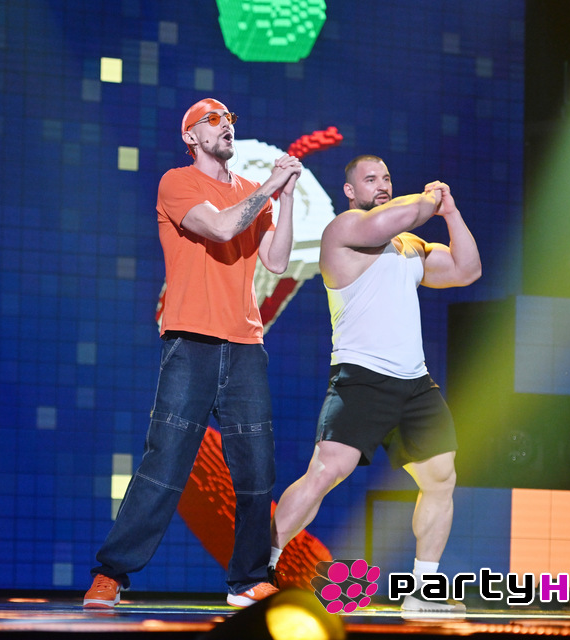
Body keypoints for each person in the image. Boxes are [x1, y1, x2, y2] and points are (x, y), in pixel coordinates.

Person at [83, 98, 303, 609]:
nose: (226, 125)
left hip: (246, 344)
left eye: (230, 119)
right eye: (214, 119)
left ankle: (248, 579)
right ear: (191, 137)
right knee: (165, 462)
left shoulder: (253, 192)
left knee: (256, 470)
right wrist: (269, 188)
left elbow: (276, 259)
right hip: (191, 342)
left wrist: (286, 197)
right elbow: (221, 228)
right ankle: (111, 573)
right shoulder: (177, 182)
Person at [268, 155, 481, 612]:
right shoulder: (345, 229)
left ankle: (424, 590)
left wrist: (450, 212)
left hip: (415, 383)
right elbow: (397, 216)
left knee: (441, 478)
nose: (381, 185)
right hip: (361, 377)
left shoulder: (407, 246)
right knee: (325, 473)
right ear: (350, 191)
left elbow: (467, 270)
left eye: (386, 177)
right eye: (370, 179)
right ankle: (260, 569)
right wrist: (429, 198)